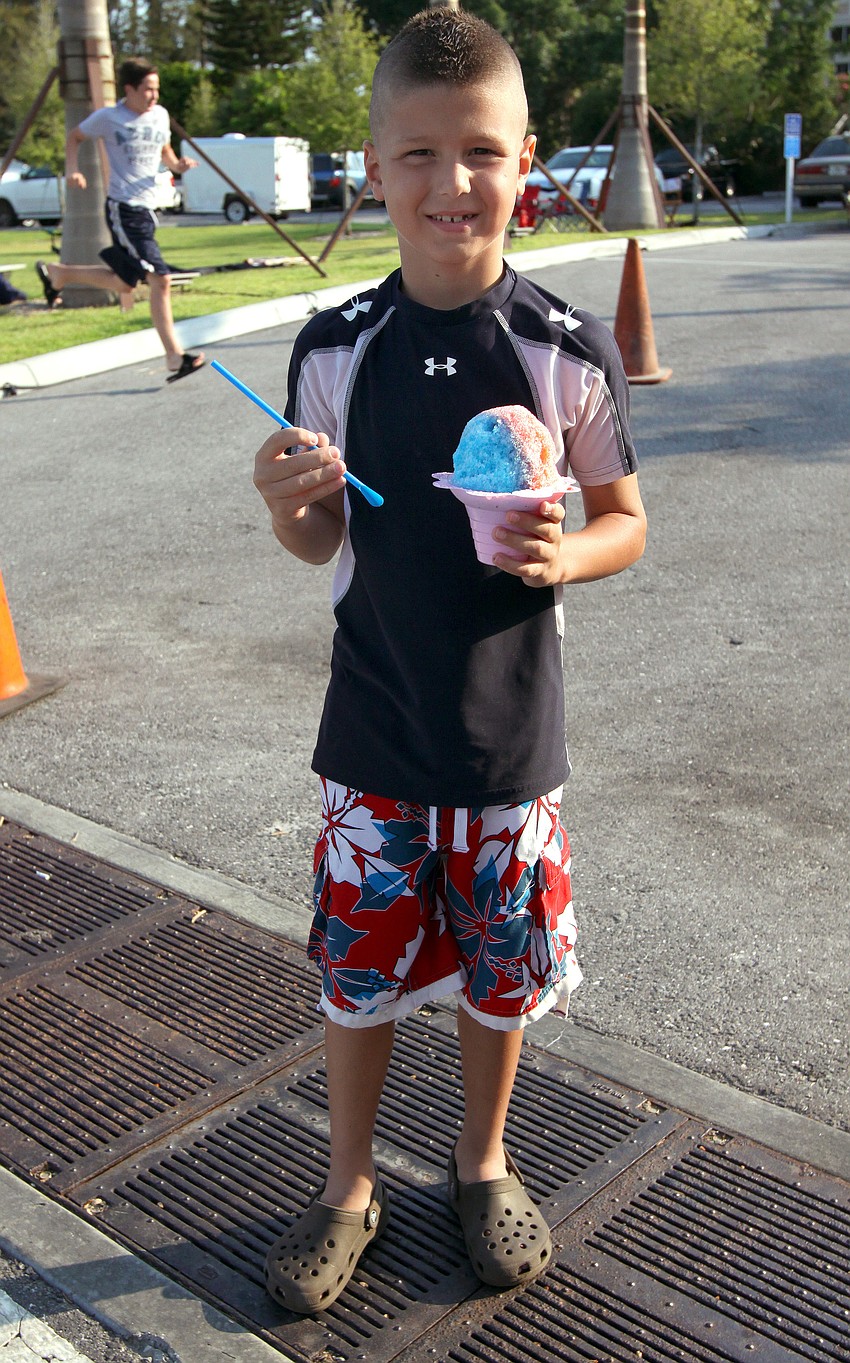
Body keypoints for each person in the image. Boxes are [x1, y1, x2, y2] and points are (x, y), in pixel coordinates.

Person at [253, 7, 646, 1314]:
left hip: (504, 746)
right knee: (356, 978)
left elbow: (624, 521)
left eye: (476, 151)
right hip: (369, 736)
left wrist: (558, 558)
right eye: (415, 154)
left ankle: (482, 1161)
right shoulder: (331, 349)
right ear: (373, 165)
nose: (448, 183)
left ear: (521, 158)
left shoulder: (560, 347)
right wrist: (280, 498)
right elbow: (321, 540)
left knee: (500, 970)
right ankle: (349, 1181)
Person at [35, 58, 204, 383]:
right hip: (124, 209)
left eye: (157, 89)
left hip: (147, 209)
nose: (154, 96)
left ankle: (60, 273)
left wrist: (178, 166)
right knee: (161, 279)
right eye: (148, 89)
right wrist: (73, 169)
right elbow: (74, 137)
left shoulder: (160, 115)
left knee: (127, 282)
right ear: (130, 89)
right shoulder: (109, 118)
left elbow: (164, 152)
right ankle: (174, 355)